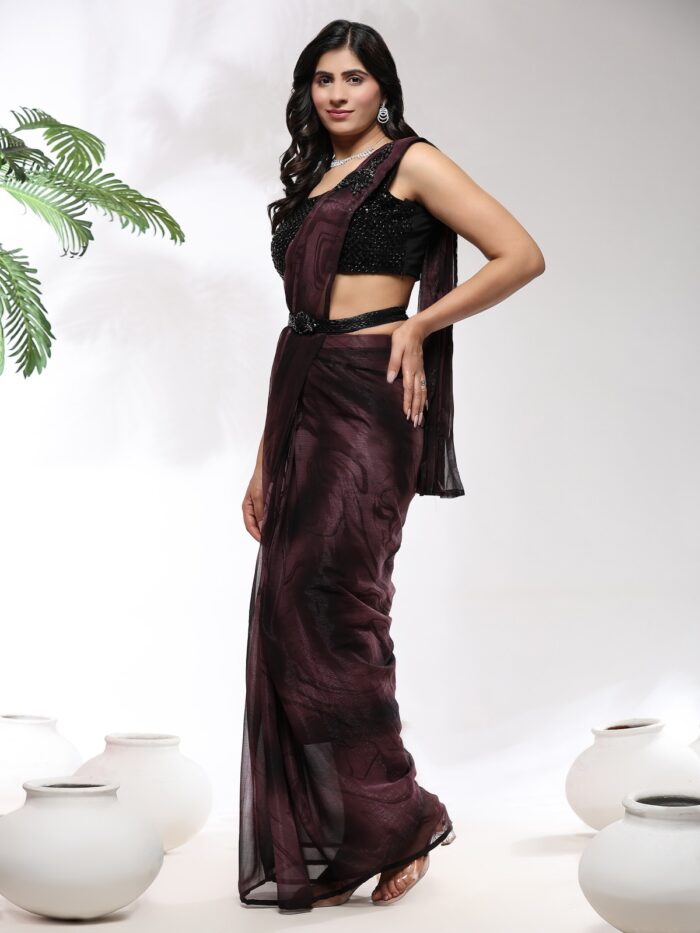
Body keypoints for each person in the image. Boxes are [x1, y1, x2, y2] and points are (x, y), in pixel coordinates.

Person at [239, 20, 545, 913]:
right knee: (287, 607)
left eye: (355, 78)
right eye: (324, 79)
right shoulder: (310, 181)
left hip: (372, 398)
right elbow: (298, 329)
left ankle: (403, 814)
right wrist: (262, 462)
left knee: (341, 603)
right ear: (307, 91)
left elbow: (521, 254)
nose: (339, 93)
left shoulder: (410, 162)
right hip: (301, 392)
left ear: (384, 88)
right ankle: (350, 825)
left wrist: (419, 323)